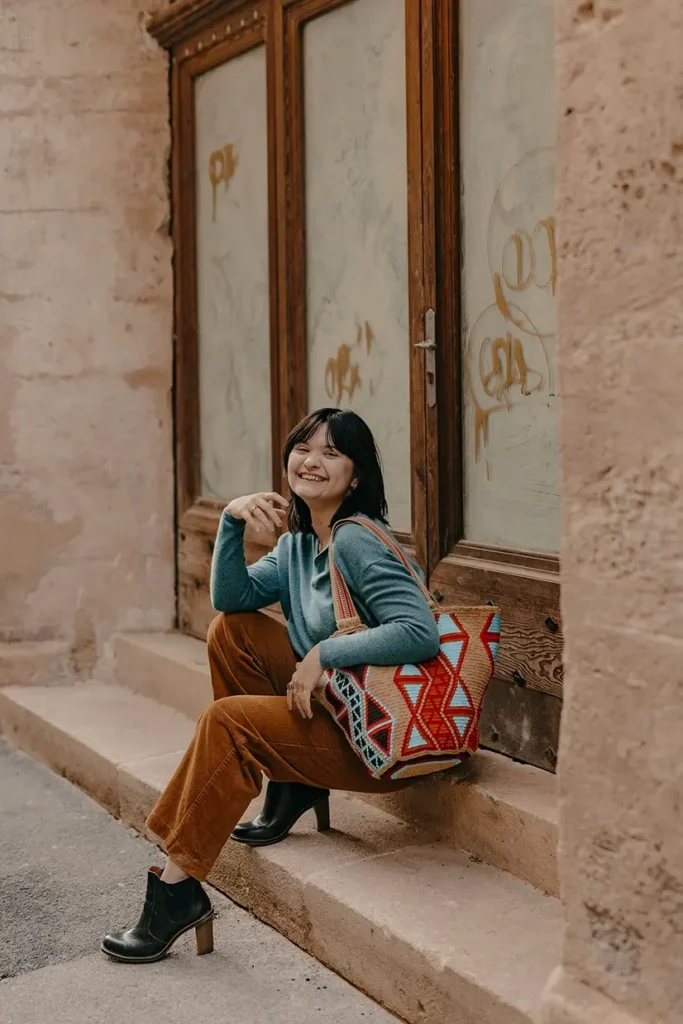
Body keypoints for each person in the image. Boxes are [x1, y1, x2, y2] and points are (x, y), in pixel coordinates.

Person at [101, 407, 440, 964]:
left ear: (355, 478)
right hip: (335, 711)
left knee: (228, 720)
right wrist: (232, 522)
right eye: (304, 447)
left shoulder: (356, 541)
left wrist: (325, 654)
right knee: (230, 632)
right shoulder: (300, 542)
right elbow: (231, 600)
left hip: (377, 739)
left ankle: (176, 889)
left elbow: (418, 632)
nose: (312, 461)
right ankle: (294, 783)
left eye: (332, 452)